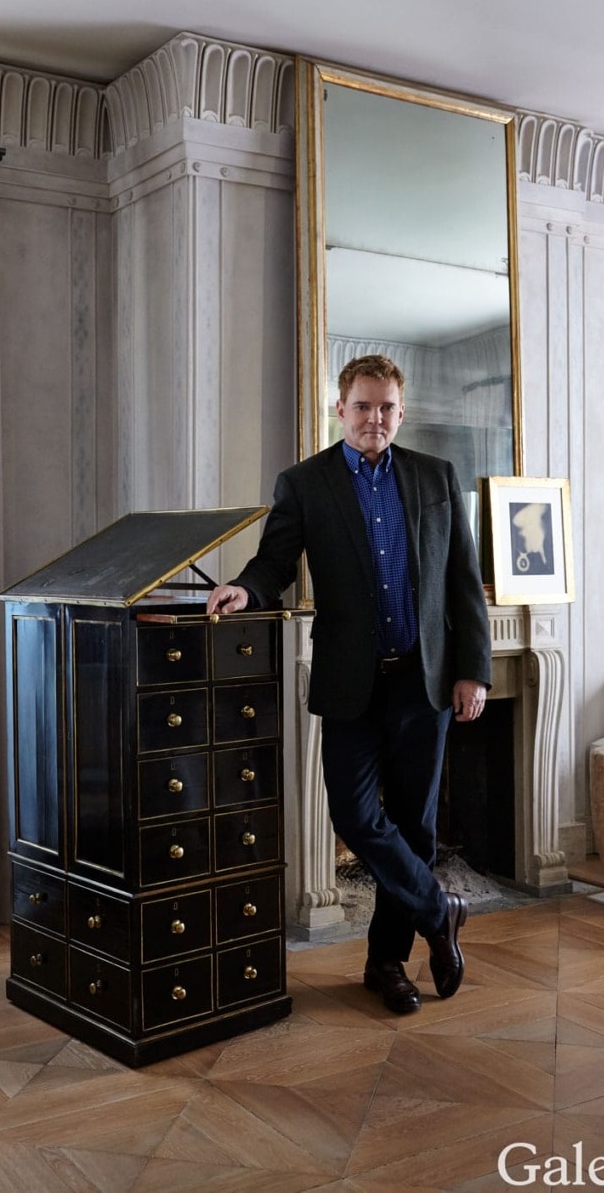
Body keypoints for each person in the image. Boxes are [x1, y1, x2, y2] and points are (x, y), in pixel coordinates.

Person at [206, 353, 492, 1014]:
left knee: (416, 830)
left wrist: (473, 669)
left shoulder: (435, 477)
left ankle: (386, 963)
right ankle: (439, 908)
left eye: (387, 407)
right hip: (350, 685)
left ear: (401, 410)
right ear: (340, 409)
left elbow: (462, 581)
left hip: (425, 682)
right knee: (356, 815)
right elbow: (274, 560)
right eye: (362, 406)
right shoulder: (306, 483)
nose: (375, 418)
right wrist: (244, 589)